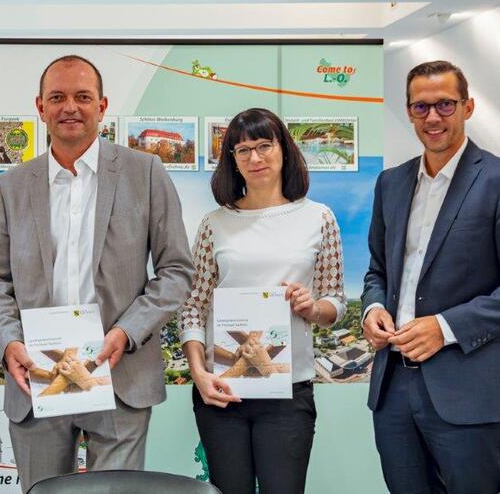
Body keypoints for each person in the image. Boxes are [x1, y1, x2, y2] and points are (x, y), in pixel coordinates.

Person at [0, 55, 193, 493]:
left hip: (119, 374)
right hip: (36, 375)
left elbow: (176, 271)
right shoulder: (10, 185)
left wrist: (127, 332)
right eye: (57, 97)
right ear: (40, 107)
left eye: (82, 97)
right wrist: (8, 341)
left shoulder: (145, 172)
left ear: (102, 105)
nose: (69, 106)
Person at [179, 108, 345, 494]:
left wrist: (312, 306)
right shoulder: (214, 224)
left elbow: (334, 303)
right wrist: (198, 372)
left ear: (284, 150)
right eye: (242, 150)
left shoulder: (318, 217)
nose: (255, 158)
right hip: (221, 390)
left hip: (288, 393)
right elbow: (192, 305)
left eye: (264, 146)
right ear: (232, 162)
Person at [361, 60, 500, 494]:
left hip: (468, 392)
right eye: (421, 107)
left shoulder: (496, 180)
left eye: (444, 104)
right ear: (409, 112)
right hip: (393, 390)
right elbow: (377, 270)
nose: (433, 117)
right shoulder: (391, 184)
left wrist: (444, 328)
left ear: (468, 106)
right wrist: (373, 306)